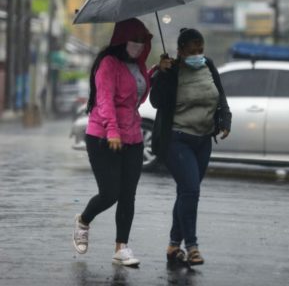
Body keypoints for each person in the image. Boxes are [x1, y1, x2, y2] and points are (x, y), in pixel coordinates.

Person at [72, 18, 158, 267]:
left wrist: (153, 72)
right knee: (110, 193)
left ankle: (121, 248)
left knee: (128, 195)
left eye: (143, 41)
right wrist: (112, 131)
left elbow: (136, 99)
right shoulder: (108, 64)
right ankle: (84, 220)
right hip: (103, 136)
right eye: (135, 40)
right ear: (122, 40)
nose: (139, 45)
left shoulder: (139, 66)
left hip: (133, 136)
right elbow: (105, 100)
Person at [150, 28, 232, 266]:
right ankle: (192, 246)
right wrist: (162, 74)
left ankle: (174, 245)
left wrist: (225, 119)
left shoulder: (209, 65)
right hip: (177, 139)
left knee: (186, 192)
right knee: (191, 191)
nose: (197, 55)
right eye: (192, 51)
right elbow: (156, 102)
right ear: (181, 51)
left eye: (201, 50)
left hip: (203, 140)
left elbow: (220, 95)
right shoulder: (171, 70)